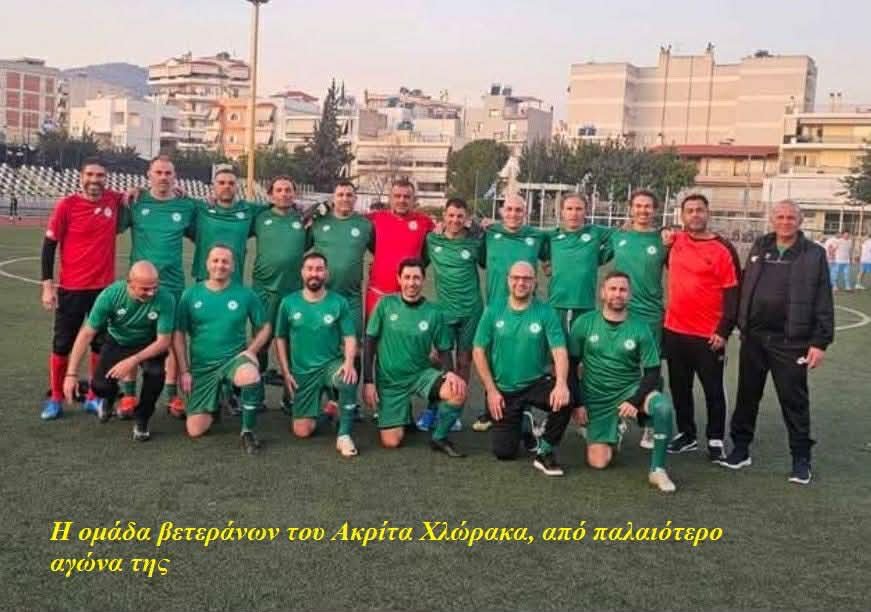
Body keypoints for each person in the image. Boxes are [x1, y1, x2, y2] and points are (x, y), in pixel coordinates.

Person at [718, 200, 834, 485]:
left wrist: (820, 342)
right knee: (747, 396)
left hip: (790, 341)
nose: (785, 222)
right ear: (772, 219)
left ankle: (801, 459)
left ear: (800, 221)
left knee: (794, 401)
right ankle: (741, 449)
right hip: (754, 338)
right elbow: (746, 285)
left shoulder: (813, 253)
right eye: (780, 216)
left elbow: (823, 298)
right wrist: (738, 324)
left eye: (790, 217)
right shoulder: (761, 246)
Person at [568, 271, 676, 492]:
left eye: (623, 290)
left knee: (663, 408)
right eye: (613, 289)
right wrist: (578, 403)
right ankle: (613, 431)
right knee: (599, 462)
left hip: (629, 390)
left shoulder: (640, 327)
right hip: (596, 397)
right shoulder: (584, 323)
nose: (617, 294)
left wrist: (635, 400)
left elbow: (652, 372)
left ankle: (657, 470)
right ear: (602, 293)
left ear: (629, 295)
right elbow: (570, 366)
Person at [40, 158, 125, 420]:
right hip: (72, 288)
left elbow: (138, 194)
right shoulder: (67, 205)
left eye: (100, 175)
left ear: (105, 178)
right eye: (90, 175)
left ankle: (92, 397)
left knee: (99, 344)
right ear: (81, 176)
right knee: (62, 343)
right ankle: (56, 398)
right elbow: (49, 246)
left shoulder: (113, 199)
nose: (95, 180)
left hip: (104, 290)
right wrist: (47, 286)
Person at [472, 261, 573, 476]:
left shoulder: (545, 311)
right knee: (504, 452)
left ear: (535, 282)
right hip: (504, 389)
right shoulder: (493, 310)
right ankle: (525, 422)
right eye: (516, 278)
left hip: (535, 383)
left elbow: (559, 351)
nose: (521, 283)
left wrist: (561, 384)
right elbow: (478, 351)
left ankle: (545, 451)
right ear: (508, 280)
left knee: (566, 398)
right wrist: (491, 390)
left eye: (527, 279)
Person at [662, 193, 741, 460]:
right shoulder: (675, 241)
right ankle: (687, 434)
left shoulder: (722, 248)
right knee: (679, 388)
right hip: (674, 331)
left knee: (713, 389)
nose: (695, 214)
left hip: (708, 335)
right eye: (690, 210)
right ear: (682, 215)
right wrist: (665, 233)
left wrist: (723, 330)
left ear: (708, 213)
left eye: (700, 210)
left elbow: (733, 293)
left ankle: (716, 438)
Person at [363, 258, 467, 456]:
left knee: (457, 391)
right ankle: (403, 413)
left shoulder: (434, 312)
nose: (412, 283)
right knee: (391, 442)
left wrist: (450, 374)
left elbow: (444, 349)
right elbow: (369, 342)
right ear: (399, 279)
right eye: (407, 277)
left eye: (416, 278)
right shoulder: (385, 304)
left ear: (423, 280)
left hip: (420, 375)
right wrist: (368, 381)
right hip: (391, 382)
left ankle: (439, 437)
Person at [173, 245, 272, 454]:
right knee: (195, 430)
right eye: (216, 260)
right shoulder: (190, 295)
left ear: (233, 266)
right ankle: (219, 399)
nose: (220, 265)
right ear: (207, 264)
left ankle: (247, 431)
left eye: (225, 261)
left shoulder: (245, 294)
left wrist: (251, 351)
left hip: (233, 361)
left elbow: (265, 327)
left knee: (249, 375)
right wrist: (184, 371)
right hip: (202, 367)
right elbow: (178, 333)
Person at [119, 156, 197, 419]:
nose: (163, 177)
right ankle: (129, 394)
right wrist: (130, 192)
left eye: (168, 173)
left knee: (173, 338)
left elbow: (202, 225)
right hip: (138, 284)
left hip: (172, 283)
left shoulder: (186, 206)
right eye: (159, 172)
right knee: (131, 334)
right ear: (148, 175)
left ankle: (172, 395)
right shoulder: (136, 202)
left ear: (175, 177)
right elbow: (115, 225)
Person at [62, 262, 174, 440]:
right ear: (130, 283)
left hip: (149, 344)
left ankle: (142, 418)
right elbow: (87, 333)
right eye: (145, 289)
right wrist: (71, 374)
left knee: (156, 374)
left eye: (155, 287)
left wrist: (133, 360)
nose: (152, 293)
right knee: (100, 386)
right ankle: (110, 397)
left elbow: (163, 342)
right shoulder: (110, 295)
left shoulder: (165, 298)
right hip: (118, 341)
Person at [473, 194, 548, 432]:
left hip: (527, 307)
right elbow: (482, 261)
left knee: (525, 355)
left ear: (525, 213)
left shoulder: (537, 236)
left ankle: (526, 409)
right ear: (502, 211)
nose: (513, 214)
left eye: (518, 210)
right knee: (492, 356)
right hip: (496, 307)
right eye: (509, 209)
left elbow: (550, 256)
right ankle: (490, 409)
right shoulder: (490, 233)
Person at [601, 189, 668, 450]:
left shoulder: (664, 240)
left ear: (655, 210)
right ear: (630, 209)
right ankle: (616, 420)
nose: (642, 211)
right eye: (638, 206)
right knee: (616, 364)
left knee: (651, 369)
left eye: (647, 206)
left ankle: (650, 424)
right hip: (620, 311)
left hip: (650, 315)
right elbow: (592, 252)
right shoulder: (618, 236)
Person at [274, 253, 359, 457]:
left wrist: (349, 362)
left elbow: (350, 337)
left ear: (326, 273)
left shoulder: (338, 302)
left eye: (319, 269)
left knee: (346, 379)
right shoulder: (288, 303)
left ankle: (344, 435)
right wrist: (286, 372)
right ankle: (330, 411)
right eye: (310, 269)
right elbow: (280, 338)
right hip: (303, 372)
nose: (315, 273)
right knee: (302, 431)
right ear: (302, 272)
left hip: (330, 366)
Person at [416, 197, 483, 432]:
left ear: (466, 218)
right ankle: (433, 408)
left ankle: (454, 413)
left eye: (460, 216)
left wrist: (480, 229)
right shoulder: (432, 240)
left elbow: (490, 261)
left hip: (471, 311)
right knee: (438, 359)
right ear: (444, 216)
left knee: (464, 362)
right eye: (451, 215)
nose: (455, 220)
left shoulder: (474, 242)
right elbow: (419, 264)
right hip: (444, 311)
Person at [250, 176, 309, 406]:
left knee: (294, 345)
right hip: (263, 290)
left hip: (294, 291)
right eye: (279, 190)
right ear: (270, 194)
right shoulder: (260, 216)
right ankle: (255, 396)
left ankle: (290, 396)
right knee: (260, 343)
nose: (284, 194)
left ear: (294, 193)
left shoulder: (304, 219)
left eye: (288, 190)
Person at [365, 180, 434, 318]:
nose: (402, 200)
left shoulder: (425, 222)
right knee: (372, 332)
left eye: (407, 197)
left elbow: (440, 240)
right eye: (397, 196)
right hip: (377, 294)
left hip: (408, 297)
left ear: (414, 199)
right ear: (390, 198)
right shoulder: (376, 218)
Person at [189, 168, 263, 284]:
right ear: (213, 187)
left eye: (231, 183)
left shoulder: (248, 210)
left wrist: (294, 204)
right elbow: (178, 200)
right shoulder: (201, 208)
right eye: (221, 183)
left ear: (237, 187)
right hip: (205, 279)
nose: (227, 186)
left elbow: (275, 207)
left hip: (234, 280)